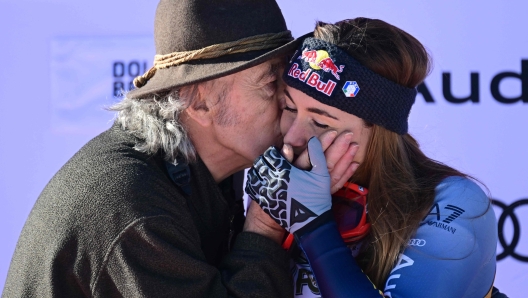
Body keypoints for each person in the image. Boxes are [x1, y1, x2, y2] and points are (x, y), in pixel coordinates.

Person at [2, 1, 359, 297]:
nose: (288, 98)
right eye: (270, 83)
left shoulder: (199, 170)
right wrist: (265, 226)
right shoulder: (134, 209)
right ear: (200, 103)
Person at [246, 18, 500, 297]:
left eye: (321, 123)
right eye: (290, 108)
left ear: (379, 131)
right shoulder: (275, 180)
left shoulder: (454, 202)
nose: (293, 137)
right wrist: (262, 226)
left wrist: (313, 225)